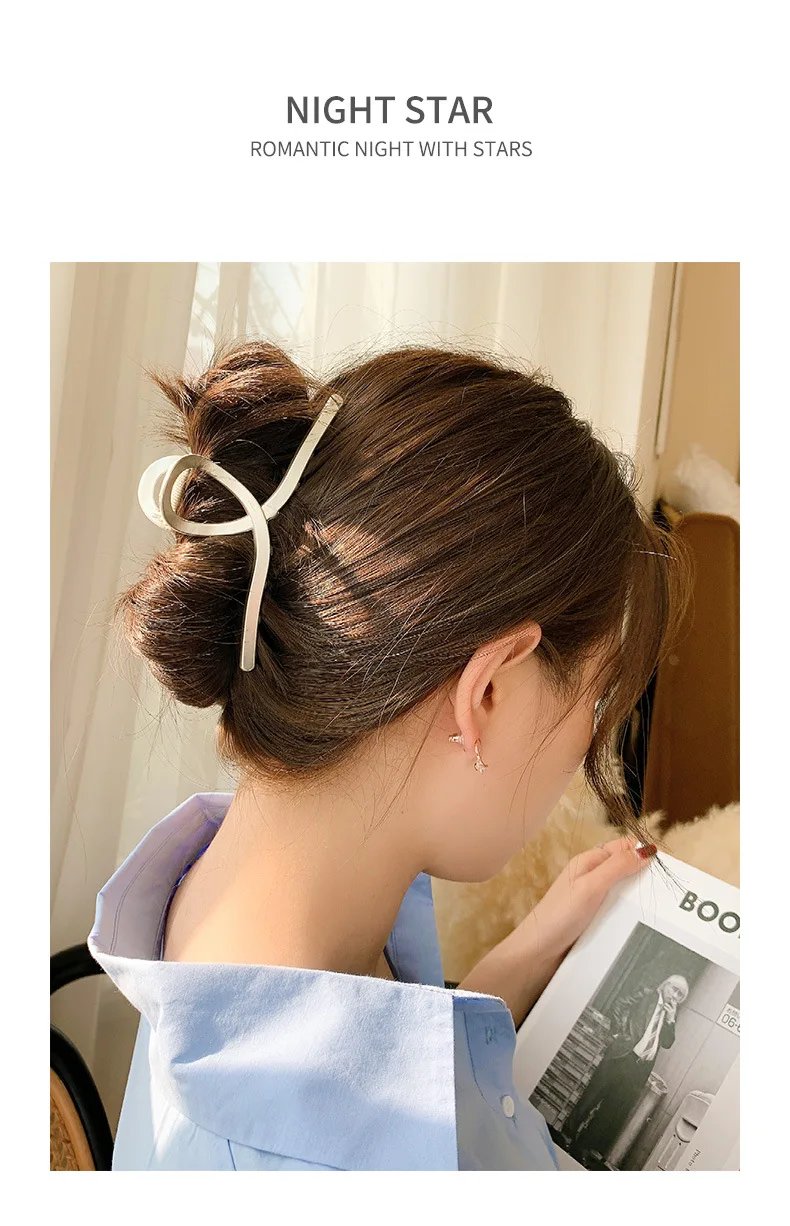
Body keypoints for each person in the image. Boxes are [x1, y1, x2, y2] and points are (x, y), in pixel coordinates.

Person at [88, 340, 689, 1170]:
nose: (587, 741)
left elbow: (367, 1065)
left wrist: (523, 956)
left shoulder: (251, 886)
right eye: (593, 700)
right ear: (488, 692)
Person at [563, 973, 690, 1166]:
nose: (675, 996)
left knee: (610, 1110)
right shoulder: (647, 995)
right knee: (592, 1096)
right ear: (666, 985)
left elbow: (667, 1042)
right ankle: (566, 1134)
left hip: (639, 1069)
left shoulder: (669, 1015)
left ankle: (582, 1146)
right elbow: (620, 1004)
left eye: (681, 995)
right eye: (675, 990)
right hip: (621, 1057)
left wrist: (671, 1020)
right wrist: (618, 1034)